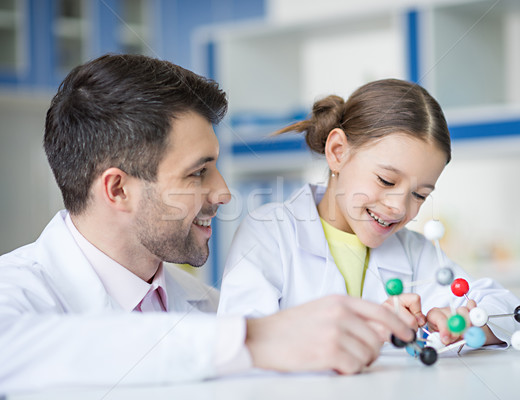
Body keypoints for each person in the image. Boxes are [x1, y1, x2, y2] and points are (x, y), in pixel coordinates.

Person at [0, 55, 416, 393]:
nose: (223, 193)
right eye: (198, 172)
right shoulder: (18, 290)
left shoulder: (208, 306)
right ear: (118, 190)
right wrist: (254, 340)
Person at [218, 79, 520, 347]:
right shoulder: (270, 233)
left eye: (419, 195)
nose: (398, 207)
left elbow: (513, 312)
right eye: (386, 180)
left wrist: (473, 325)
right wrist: (369, 328)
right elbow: (240, 339)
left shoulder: (414, 252)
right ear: (338, 152)